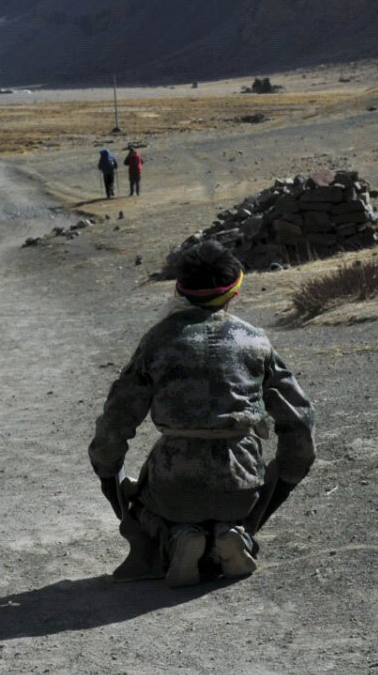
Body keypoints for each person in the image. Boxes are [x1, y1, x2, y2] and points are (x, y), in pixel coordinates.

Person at [88, 239, 315, 587]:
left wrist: (107, 470)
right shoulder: (255, 340)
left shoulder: (157, 340)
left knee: (135, 493)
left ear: (181, 290)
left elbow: (116, 420)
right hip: (241, 483)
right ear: (234, 292)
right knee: (260, 482)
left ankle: (174, 539)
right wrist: (285, 475)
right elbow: (298, 421)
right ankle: (239, 532)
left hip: (173, 486)